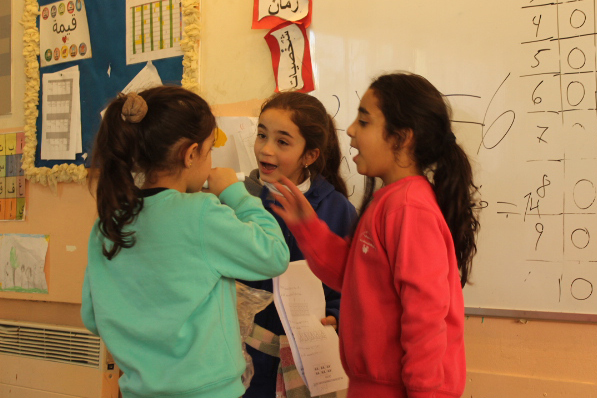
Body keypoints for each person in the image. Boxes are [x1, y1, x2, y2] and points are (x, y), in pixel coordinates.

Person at [270, 73, 480, 398]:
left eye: (364, 121)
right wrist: (309, 228)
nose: (351, 130)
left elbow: (426, 320)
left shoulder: (410, 208)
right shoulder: (390, 200)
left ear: (402, 138)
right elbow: (354, 277)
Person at [81, 86, 290, 398]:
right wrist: (234, 193)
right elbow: (274, 254)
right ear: (191, 154)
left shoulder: (107, 224)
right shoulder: (200, 213)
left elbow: (93, 317)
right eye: (209, 150)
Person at [241, 91, 357, 398]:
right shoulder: (241, 202)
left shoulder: (338, 209)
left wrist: (337, 314)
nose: (265, 149)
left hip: (312, 364)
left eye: (282, 141)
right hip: (247, 360)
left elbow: (353, 285)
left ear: (310, 155)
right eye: (261, 135)